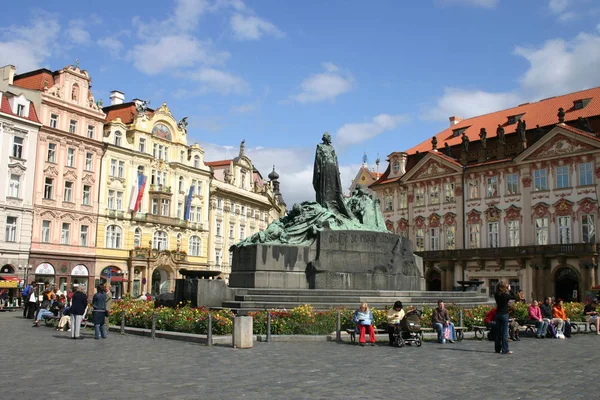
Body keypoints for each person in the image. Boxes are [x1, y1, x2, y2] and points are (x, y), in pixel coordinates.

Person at [494, 281, 515, 354]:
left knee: (498, 332)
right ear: (504, 287)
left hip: (498, 314)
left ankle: (497, 349)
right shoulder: (506, 295)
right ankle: (505, 349)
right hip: (504, 314)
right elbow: (514, 296)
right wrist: (510, 289)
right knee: (504, 333)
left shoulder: (496, 294)